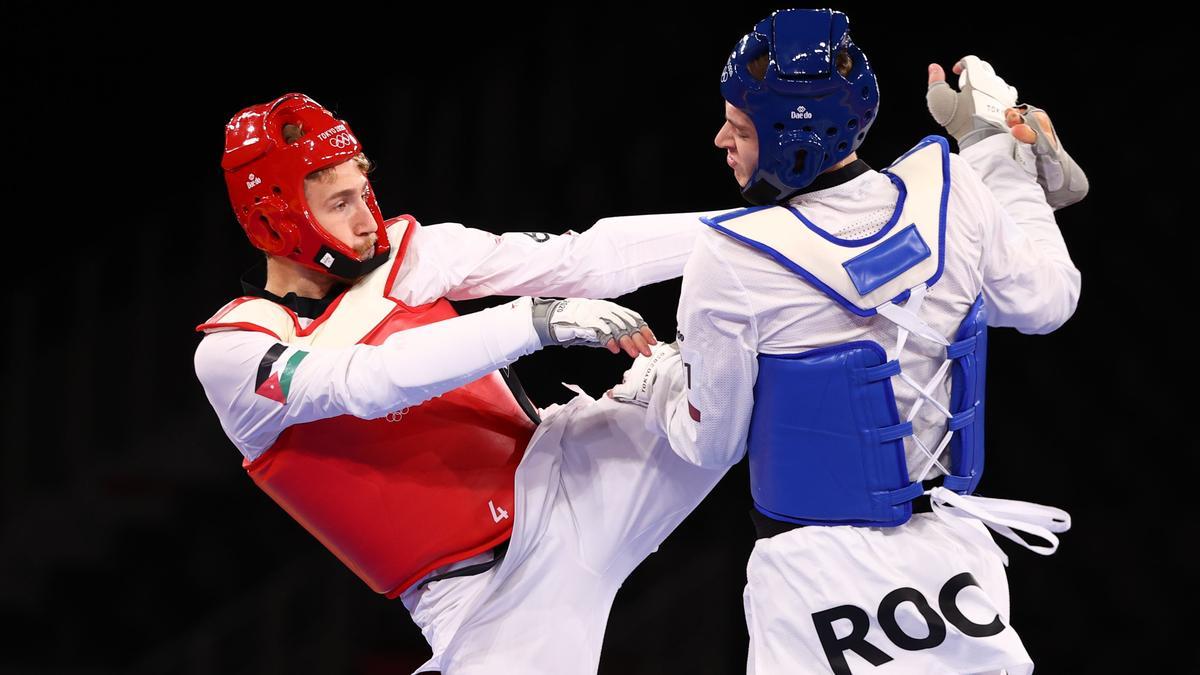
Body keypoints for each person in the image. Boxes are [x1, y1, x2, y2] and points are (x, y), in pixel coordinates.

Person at [609, 9, 1085, 674]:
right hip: (956, 562)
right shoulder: (951, 190)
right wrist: (994, 155)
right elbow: (1048, 299)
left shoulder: (735, 255)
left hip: (815, 583)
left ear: (786, 137)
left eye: (740, 127)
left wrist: (653, 380)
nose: (721, 138)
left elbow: (711, 441)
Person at [193, 93, 728, 674]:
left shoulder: (412, 254)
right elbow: (367, 382)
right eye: (339, 204)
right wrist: (533, 320)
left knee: (751, 363)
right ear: (274, 221)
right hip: (485, 599)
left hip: (578, 471)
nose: (367, 219)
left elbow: (585, 259)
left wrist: (754, 233)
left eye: (363, 191)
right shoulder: (236, 350)